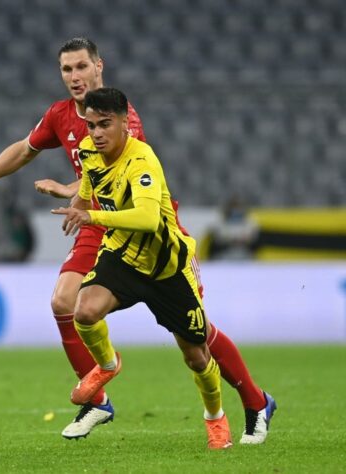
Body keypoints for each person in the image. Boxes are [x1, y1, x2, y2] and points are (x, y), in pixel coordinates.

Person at [0, 37, 275, 444]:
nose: (74, 76)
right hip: (100, 226)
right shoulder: (61, 115)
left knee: (196, 342)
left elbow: (115, 168)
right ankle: (97, 398)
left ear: (99, 66)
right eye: (67, 69)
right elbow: (25, 151)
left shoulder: (120, 117)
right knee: (65, 301)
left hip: (144, 229)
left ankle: (256, 401)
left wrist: (74, 190)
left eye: (81, 66)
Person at [52, 87, 276, 449]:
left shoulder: (142, 161)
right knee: (85, 310)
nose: (96, 133)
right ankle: (108, 365)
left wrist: (89, 214)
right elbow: (90, 183)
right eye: (91, 125)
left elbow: (145, 216)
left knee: (196, 354)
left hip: (166, 266)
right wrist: (73, 198)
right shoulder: (90, 152)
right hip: (122, 255)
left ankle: (216, 417)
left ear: (126, 123)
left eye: (105, 124)